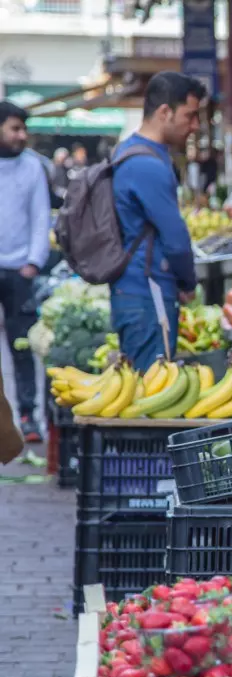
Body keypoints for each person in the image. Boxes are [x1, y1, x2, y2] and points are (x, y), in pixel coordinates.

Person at [111, 71, 204, 371]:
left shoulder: (130, 152)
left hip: (136, 290)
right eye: (190, 115)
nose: (195, 126)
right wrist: (188, 282)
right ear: (165, 112)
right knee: (150, 392)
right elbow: (175, 238)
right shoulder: (147, 165)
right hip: (147, 296)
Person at [0, 101, 51, 442]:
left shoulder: (33, 166)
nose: (22, 135)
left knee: (22, 346)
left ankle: (28, 417)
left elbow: (41, 216)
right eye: (15, 128)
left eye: (23, 129)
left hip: (22, 269)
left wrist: (34, 261)